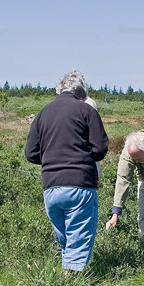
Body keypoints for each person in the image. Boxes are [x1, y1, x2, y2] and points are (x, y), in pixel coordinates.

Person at [25, 70, 108, 272]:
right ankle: (69, 284)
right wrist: (81, 157)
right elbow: (100, 149)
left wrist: (51, 159)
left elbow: (30, 153)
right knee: (78, 238)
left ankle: (59, 283)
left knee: (65, 238)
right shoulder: (87, 111)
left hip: (51, 188)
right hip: (80, 185)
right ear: (81, 93)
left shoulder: (43, 113)